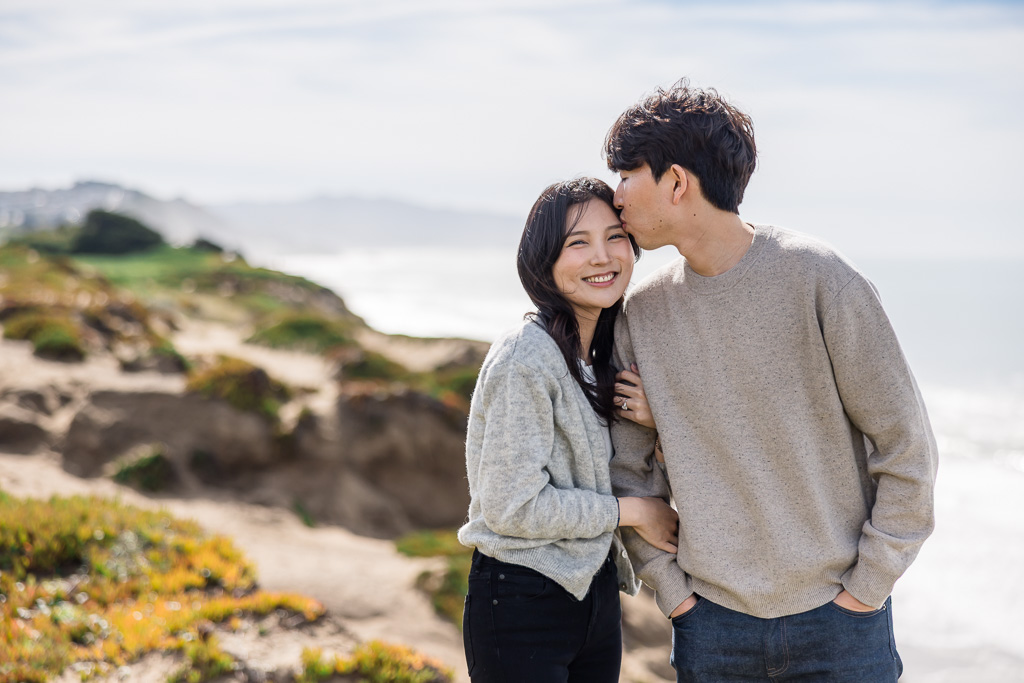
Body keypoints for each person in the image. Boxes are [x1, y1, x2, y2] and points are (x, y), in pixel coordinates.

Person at [605, 79, 939, 682]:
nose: (616, 194)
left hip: (842, 625)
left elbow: (907, 445)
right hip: (713, 628)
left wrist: (869, 585)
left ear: (676, 182)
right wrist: (674, 594)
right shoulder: (644, 312)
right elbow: (631, 469)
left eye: (627, 174)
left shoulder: (820, 280)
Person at [457, 177, 679, 683]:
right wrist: (634, 511)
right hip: (522, 599)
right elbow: (512, 505)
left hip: (592, 592)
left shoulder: (596, 355)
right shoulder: (526, 357)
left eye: (614, 237)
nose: (602, 257)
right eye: (578, 243)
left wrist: (655, 418)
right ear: (544, 262)